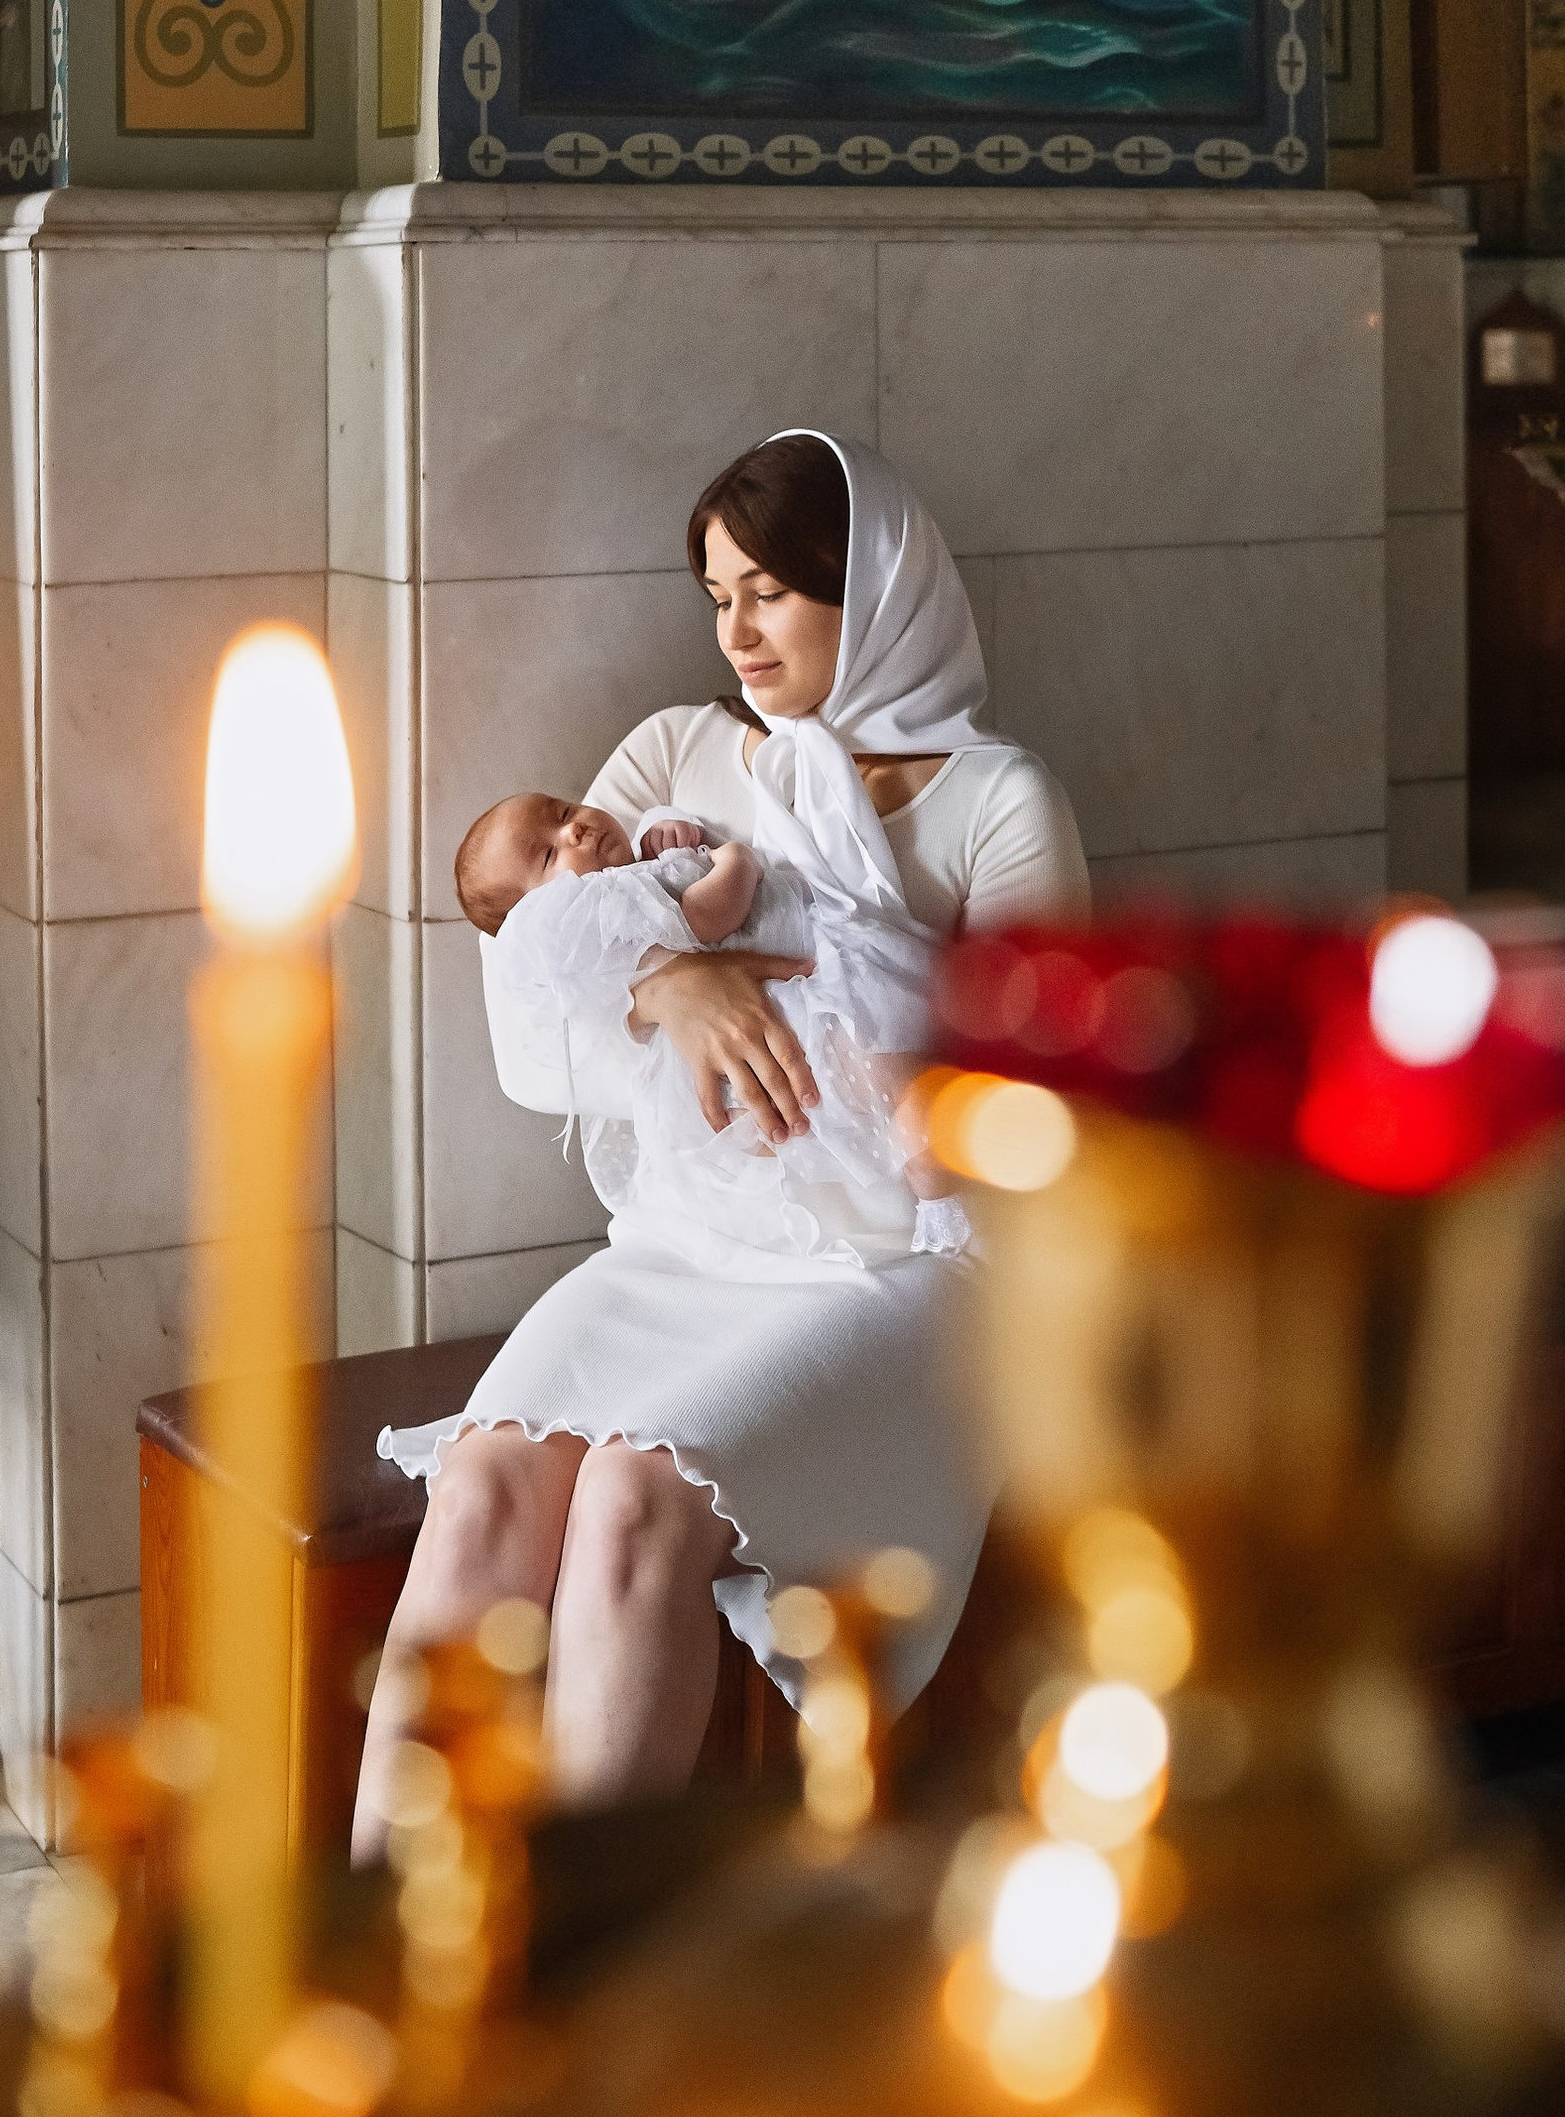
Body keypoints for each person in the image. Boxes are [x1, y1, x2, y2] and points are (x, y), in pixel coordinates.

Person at [351, 429, 1087, 1850]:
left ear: (866, 586)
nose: (735, 632)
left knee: (635, 1496)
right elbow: (536, 992)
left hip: (898, 1275)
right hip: (691, 1248)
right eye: (717, 595)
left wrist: (898, 1087)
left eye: (769, 593)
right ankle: (381, 1945)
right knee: (488, 1480)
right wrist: (666, 979)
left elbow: (1048, 1107)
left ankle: (585, 1953)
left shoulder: (999, 801)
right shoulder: (681, 751)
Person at [453, 785, 965, 1275]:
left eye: (563, 813)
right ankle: (929, 1177)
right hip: (793, 1004)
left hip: (795, 992)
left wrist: (673, 831)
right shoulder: (604, 907)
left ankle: (926, 1179)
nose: (575, 833)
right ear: (542, 916)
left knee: (870, 1077)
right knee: (869, 1069)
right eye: (547, 856)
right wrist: (737, 860)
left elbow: (672, 860)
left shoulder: (639, 862)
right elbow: (709, 917)